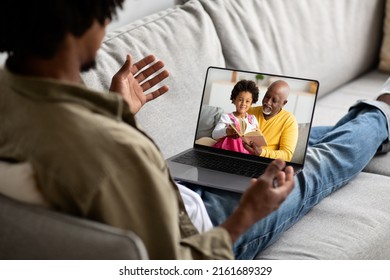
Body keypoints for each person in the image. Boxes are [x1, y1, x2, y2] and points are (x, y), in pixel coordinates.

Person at [0, 0, 389, 260]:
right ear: (77, 24)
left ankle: (366, 124)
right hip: (213, 223)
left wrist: (121, 110)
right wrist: (247, 215)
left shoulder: (9, 94)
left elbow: (91, 166)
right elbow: (179, 265)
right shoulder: (112, 152)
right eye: (104, 15)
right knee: (318, 165)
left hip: (173, 186)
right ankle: (381, 113)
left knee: (303, 144)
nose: (104, 28)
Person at [247, 80, 298, 161]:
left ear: (284, 103)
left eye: (274, 100)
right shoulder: (249, 111)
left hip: (267, 164)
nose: (268, 102)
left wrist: (262, 153)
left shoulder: (289, 120)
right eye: (267, 96)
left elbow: (287, 155)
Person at [212, 79, 260, 154]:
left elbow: (257, 139)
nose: (243, 103)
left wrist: (258, 134)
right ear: (234, 100)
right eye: (240, 100)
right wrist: (226, 131)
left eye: (247, 101)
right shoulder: (227, 117)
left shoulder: (253, 119)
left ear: (251, 103)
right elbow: (214, 135)